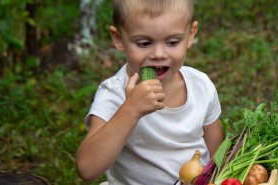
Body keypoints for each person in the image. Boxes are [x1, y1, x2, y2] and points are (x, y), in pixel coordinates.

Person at [75, 0, 225, 184]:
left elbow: (218, 153)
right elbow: (87, 168)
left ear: (190, 34)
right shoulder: (114, 94)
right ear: (119, 39)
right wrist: (130, 109)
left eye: (172, 42)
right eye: (144, 43)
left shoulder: (201, 86)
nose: (159, 54)